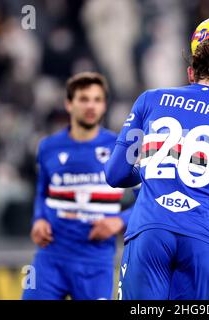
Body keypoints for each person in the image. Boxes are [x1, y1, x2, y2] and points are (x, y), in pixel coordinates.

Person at [105, 17, 209, 300]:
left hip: (151, 228)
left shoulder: (150, 100)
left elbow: (116, 173)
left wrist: (156, 165)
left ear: (192, 71)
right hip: (204, 238)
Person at [22, 72, 132, 300]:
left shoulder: (120, 148)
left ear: (104, 106)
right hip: (50, 257)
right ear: (68, 104)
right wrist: (39, 219)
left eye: (97, 100)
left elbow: (148, 198)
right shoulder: (47, 147)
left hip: (96, 260)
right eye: (83, 99)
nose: (91, 106)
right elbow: (43, 192)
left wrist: (120, 221)